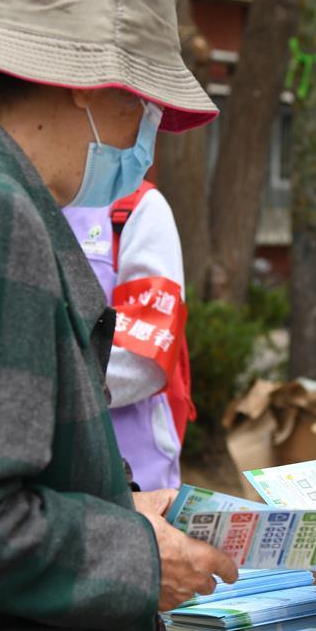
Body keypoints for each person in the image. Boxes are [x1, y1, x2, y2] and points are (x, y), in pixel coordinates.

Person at [0, 0, 237, 631]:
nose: (146, 130)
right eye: (142, 102)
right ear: (85, 85)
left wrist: (116, 505)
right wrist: (140, 557)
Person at [64, 181, 192, 491]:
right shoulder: (11, 200)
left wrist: (42, 386)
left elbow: (144, 357)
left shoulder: (138, 208)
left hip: (135, 474)